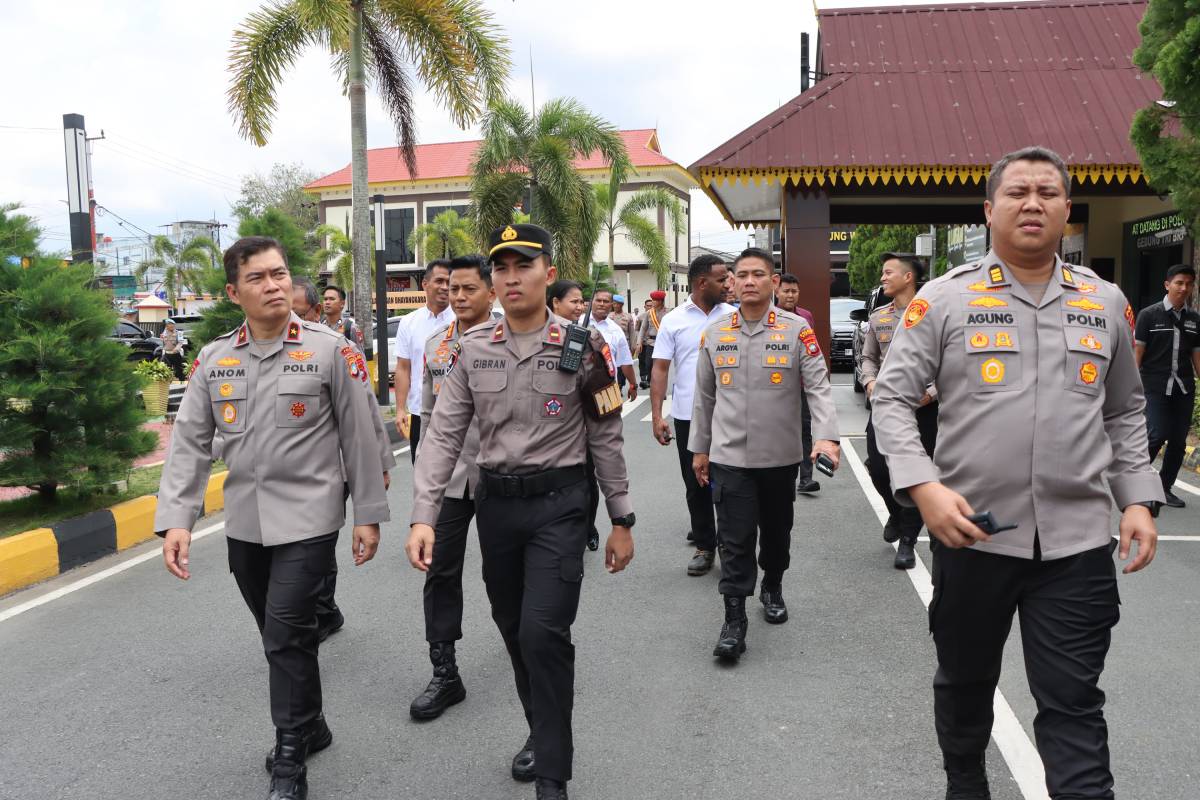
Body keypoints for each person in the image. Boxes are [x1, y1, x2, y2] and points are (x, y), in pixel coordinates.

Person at [873, 146, 1161, 800]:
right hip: (973, 535)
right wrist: (923, 488)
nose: (1033, 204)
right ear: (989, 209)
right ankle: (965, 781)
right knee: (966, 685)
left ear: (1066, 209)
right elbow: (891, 398)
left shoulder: (1105, 301)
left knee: (1074, 705)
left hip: (1078, 544)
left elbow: (1125, 409)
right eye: (1018, 192)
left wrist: (1138, 498)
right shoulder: (943, 301)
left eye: (1048, 193)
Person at [155, 236, 390, 800]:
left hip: (309, 517)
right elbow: (190, 443)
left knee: (285, 630)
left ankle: (290, 753)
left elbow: (361, 434)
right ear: (234, 292)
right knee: (279, 635)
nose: (274, 286)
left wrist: (368, 514)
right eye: (258, 278)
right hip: (244, 522)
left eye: (280, 274)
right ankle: (311, 721)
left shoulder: (331, 350)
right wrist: (177, 519)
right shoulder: (215, 359)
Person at [406, 223, 634, 800]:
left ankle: (552, 776)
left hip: (561, 507)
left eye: (524, 266)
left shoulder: (586, 348)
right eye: (501, 269)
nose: (511, 278)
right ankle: (541, 728)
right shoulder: (470, 350)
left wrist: (621, 519)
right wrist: (423, 515)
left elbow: (606, 436)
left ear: (548, 274)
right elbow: (442, 435)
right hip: (497, 510)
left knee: (543, 632)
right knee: (513, 630)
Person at [689, 247, 840, 661]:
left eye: (759, 274)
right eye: (742, 275)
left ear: (774, 282)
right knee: (733, 540)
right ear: (732, 283)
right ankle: (734, 620)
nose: (750, 281)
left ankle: (772, 582)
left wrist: (826, 438)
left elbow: (819, 387)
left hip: (779, 459)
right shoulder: (715, 333)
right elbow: (703, 398)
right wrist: (699, 448)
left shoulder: (796, 331)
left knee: (776, 533)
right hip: (729, 459)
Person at [409, 254, 496, 721]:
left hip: (503, 476)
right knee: (440, 571)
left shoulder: (510, 339)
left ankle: (530, 650)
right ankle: (444, 671)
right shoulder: (436, 345)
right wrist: (424, 483)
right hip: (450, 478)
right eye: (451, 288)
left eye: (467, 289)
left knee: (507, 574)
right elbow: (427, 417)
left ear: (491, 292)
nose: (457, 297)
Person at [291, 277, 396, 643]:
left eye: (297, 312)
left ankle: (321, 611)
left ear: (316, 311)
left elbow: (367, 407)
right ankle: (321, 608)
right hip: (292, 471)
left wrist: (379, 463)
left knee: (318, 537)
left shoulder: (341, 348)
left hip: (334, 465)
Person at [650, 254, 734, 574]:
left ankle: (729, 544)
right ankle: (704, 545)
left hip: (729, 416)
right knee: (695, 483)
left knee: (729, 483)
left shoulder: (735, 316)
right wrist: (659, 415)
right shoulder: (674, 320)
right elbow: (660, 369)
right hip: (688, 416)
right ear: (702, 283)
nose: (728, 285)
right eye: (722, 279)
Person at [860, 253, 938, 570]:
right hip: (886, 405)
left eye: (888, 272)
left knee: (920, 473)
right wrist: (869, 382)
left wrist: (931, 394)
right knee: (878, 468)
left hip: (925, 410)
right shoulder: (879, 318)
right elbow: (868, 358)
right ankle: (894, 510)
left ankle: (907, 540)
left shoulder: (933, 314)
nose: (882, 277)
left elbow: (952, 364)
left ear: (908, 277)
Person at [1134, 263, 1200, 509]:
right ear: (1167, 285)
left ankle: (1164, 489)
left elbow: (1196, 356)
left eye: (1189, 284)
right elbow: (1137, 352)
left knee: (1178, 441)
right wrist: (1131, 386)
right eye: (1179, 283)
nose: (1184, 288)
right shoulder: (1148, 315)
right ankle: (1137, 486)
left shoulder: (1194, 320)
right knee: (1157, 433)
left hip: (1183, 387)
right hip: (1154, 386)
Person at [548, 280, 604, 553]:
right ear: (555, 303)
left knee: (587, 481)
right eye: (574, 301)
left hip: (581, 426)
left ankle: (588, 527)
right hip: (547, 428)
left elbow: (605, 382)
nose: (580, 307)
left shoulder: (590, 337)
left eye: (583, 302)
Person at [393, 260, 453, 462]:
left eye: (449, 281)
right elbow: (403, 368)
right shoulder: (408, 322)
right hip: (420, 413)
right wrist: (401, 409)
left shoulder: (461, 320)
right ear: (425, 284)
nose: (445, 287)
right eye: (439, 281)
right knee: (421, 470)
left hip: (455, 412)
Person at [774, 274, 821, 495]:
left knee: (804, 431)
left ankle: (806, 479)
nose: (790, 295)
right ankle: (782, 477)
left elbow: (813, 351)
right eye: (786, 291)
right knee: (778, 430)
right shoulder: (767, 316)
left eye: (794, 291)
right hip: (775, 387)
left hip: (800, 385)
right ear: (777, 291)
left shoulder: (806, 317)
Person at [586, 288, 638, 398]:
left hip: (607, 389)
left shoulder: (616, 330)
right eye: (598, 300)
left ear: (611, 305)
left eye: (606, 301)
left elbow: (626, 361)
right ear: (592, 302)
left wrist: (633, 385)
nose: (602, 304)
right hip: (581, 387)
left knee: (612, 416)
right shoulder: (579, 322)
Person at [635, 290, 667, 389]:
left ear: (661, 301)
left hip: (664, 343)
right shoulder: (649, 313)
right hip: (651, 343)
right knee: (648, 365)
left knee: (662, 367)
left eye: (654, 300)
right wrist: (639, 343)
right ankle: (650, 381)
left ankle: (661, 389)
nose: (652, 302)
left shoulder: (669, 313)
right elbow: (643, 328)